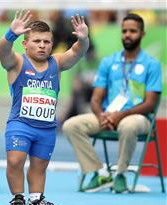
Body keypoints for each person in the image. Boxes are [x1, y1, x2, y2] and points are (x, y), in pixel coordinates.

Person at [0, 10, 89, 205]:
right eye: (37, 41)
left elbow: (76, 52)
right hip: (20, 124)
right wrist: (10, 34)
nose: (42, 45)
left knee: (39, 166)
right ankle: (17, 198)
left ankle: (36, 199)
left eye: (47, 42)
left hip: (46, 128)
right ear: (25, 43)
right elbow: (3, 51)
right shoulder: (17, 63)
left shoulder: (56, 63)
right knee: (15, 160)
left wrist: (83, 39)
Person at [62, 13, 162, 194]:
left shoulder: (151, 65)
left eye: (133, 31)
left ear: (142, 34)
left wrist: (120, 115)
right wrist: (101, 115)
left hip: (139, 118)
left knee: (128, 125)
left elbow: (150, 104)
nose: (128, 35)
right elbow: (96, 98)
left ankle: (121, 175)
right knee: (71, 125)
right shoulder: (109, 62)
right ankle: (99, 172)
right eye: (124, 31)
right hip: (108, 116)